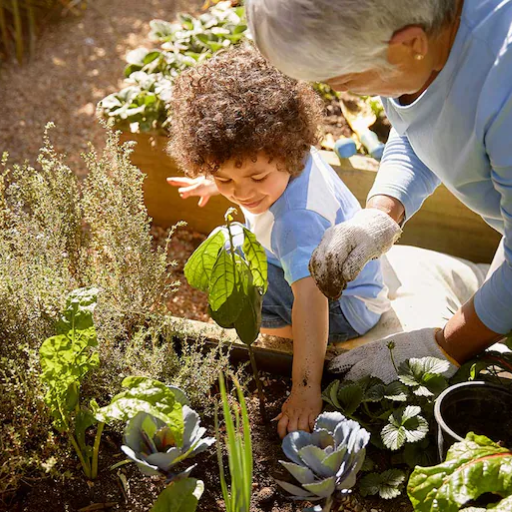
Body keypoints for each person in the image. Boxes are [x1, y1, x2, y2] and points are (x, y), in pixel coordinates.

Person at [246, 0, 512, 383]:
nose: (340, 90)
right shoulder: (416, 38)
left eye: (346, 81)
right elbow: (419, 121)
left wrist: (441, 346)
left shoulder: (503, 92)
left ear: (412, 44)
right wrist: (382, 213)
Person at [166, 45, 390, 436]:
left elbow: (312, 298)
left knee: (237, 275)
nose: (242, 193)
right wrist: (214, 183)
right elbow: (242, 172)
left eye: (255, 178)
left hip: (345, 311)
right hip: (354, 286)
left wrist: (306, 389)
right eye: (225, 180)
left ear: (286, 151)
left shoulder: (296, 222)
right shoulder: (288, 155)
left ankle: (286, 337)